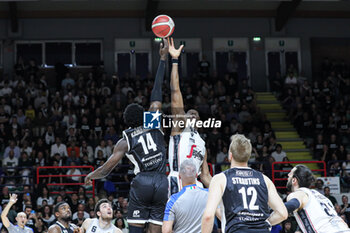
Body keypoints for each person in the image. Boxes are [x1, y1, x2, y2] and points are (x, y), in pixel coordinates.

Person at [85, 39, 169, 233]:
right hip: (161, 180)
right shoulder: (154, 122)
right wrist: (162, 59)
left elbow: (107, 169)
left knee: (136, 229)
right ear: (143, 114)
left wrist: (91, 175)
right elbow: (156, 94)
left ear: (127, 122)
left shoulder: (125, 140)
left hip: (143, 182)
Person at [202, 134, 288, 233]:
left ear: (230, 155)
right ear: (248, 156)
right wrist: (266, 222)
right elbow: (283, 213)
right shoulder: (264, 179)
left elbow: (208, 216)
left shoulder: (221, 178)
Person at [167, 37, 211, 195]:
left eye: (195, 114)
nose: (192, 114)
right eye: (189, 112)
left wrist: (222, 191)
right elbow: (175, 91)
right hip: (177, 181)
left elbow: (205, 175)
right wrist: (174, 60)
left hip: (196, 186)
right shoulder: (180, 127)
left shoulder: (202, 143)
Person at [284, 164, 350, 233]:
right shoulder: (320, 196)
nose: (288, 175)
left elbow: (285, 209)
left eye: (290, 173)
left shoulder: (300, 193)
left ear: (294, 180)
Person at [163, 160, 210, 233]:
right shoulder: (209, 194)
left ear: (179, 176)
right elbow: (221, 216)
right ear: (196, 175)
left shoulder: (173, 200)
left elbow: (166, 231)